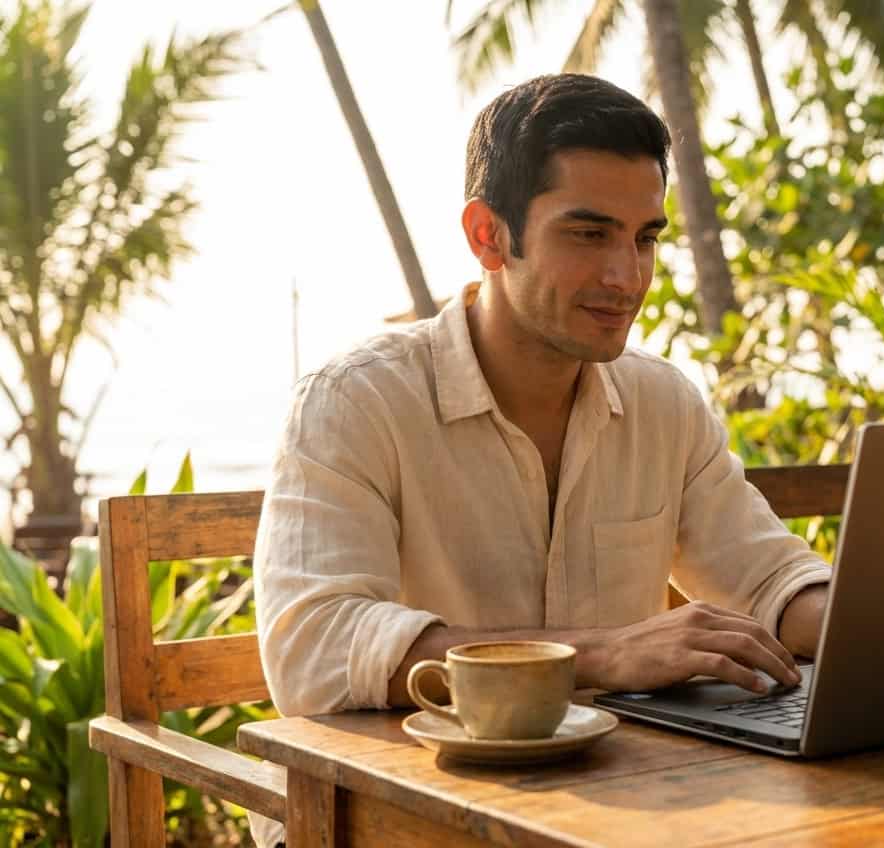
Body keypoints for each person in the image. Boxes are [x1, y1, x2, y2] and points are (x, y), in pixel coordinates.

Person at [249, 73, 831, 847]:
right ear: (488, 235)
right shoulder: (354, 402)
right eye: (589, 234)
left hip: (600, 809)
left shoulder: (664, 404)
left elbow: (767, 582)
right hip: (385, 815)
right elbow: (314, 652)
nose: (628, 277)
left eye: (645, 236)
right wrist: (604, 654)